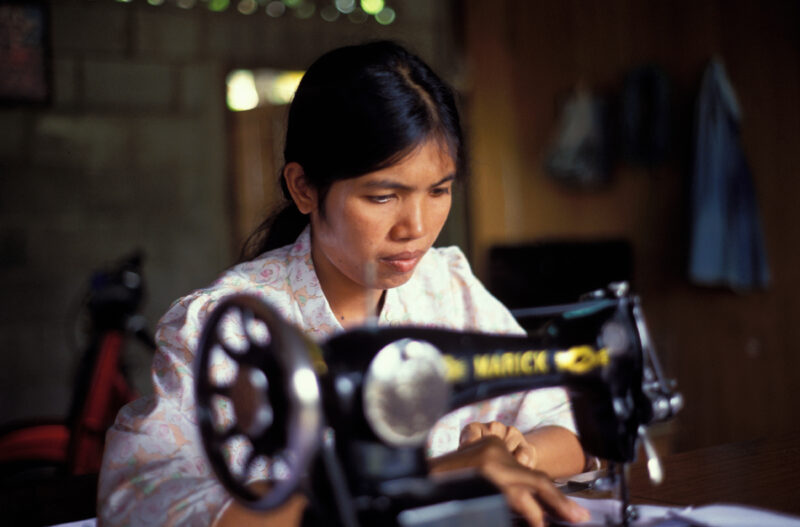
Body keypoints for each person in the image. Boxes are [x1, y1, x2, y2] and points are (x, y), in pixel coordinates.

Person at [98, 41, 590, 527]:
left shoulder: (448, 286)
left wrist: (515, 454)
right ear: (305, 188)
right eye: (382, 196)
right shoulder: (223, 329)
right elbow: (140, 503)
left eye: (439, 190)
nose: (415, 226)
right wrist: (431, 478)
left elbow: (571, 429)